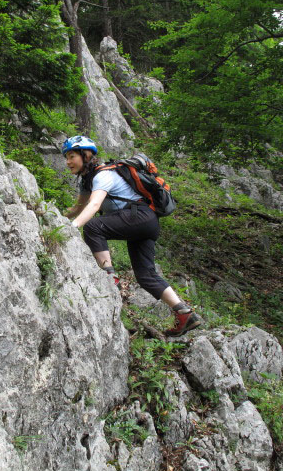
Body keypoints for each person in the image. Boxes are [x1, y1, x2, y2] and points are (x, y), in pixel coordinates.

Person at [62, 135, 203, 336]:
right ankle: (185, 313)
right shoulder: (87, 182)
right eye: (66, 157)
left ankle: (110, 278)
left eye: (72, 156)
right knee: (146, 275)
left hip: (139, 216)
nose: (68, 162)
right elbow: (78, 207)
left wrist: (72, 227)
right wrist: (56, 218)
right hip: (146, 222)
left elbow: (93, 205)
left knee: (93, 227)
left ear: (86, 155)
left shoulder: (103, 175)